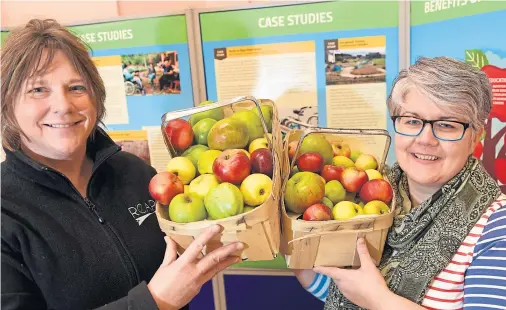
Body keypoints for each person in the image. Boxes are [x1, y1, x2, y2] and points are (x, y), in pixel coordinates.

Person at [1, 19, 243, 310]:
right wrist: (155, 302)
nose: (63, 105)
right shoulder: (6, 213)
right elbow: (164, 294)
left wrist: (209, 242)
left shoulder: (136, 172)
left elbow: (172, 261)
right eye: (38, 90)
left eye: (76, 87)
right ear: (8, 106)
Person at [295, 57, 506, 309]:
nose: (425, 139)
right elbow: (350, 292)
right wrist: (302, 261)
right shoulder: (372, 198)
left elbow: (369, 295)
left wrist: (380, 301)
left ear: (475, 137)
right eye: (412, 121)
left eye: (447, 125)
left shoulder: (496, 226)